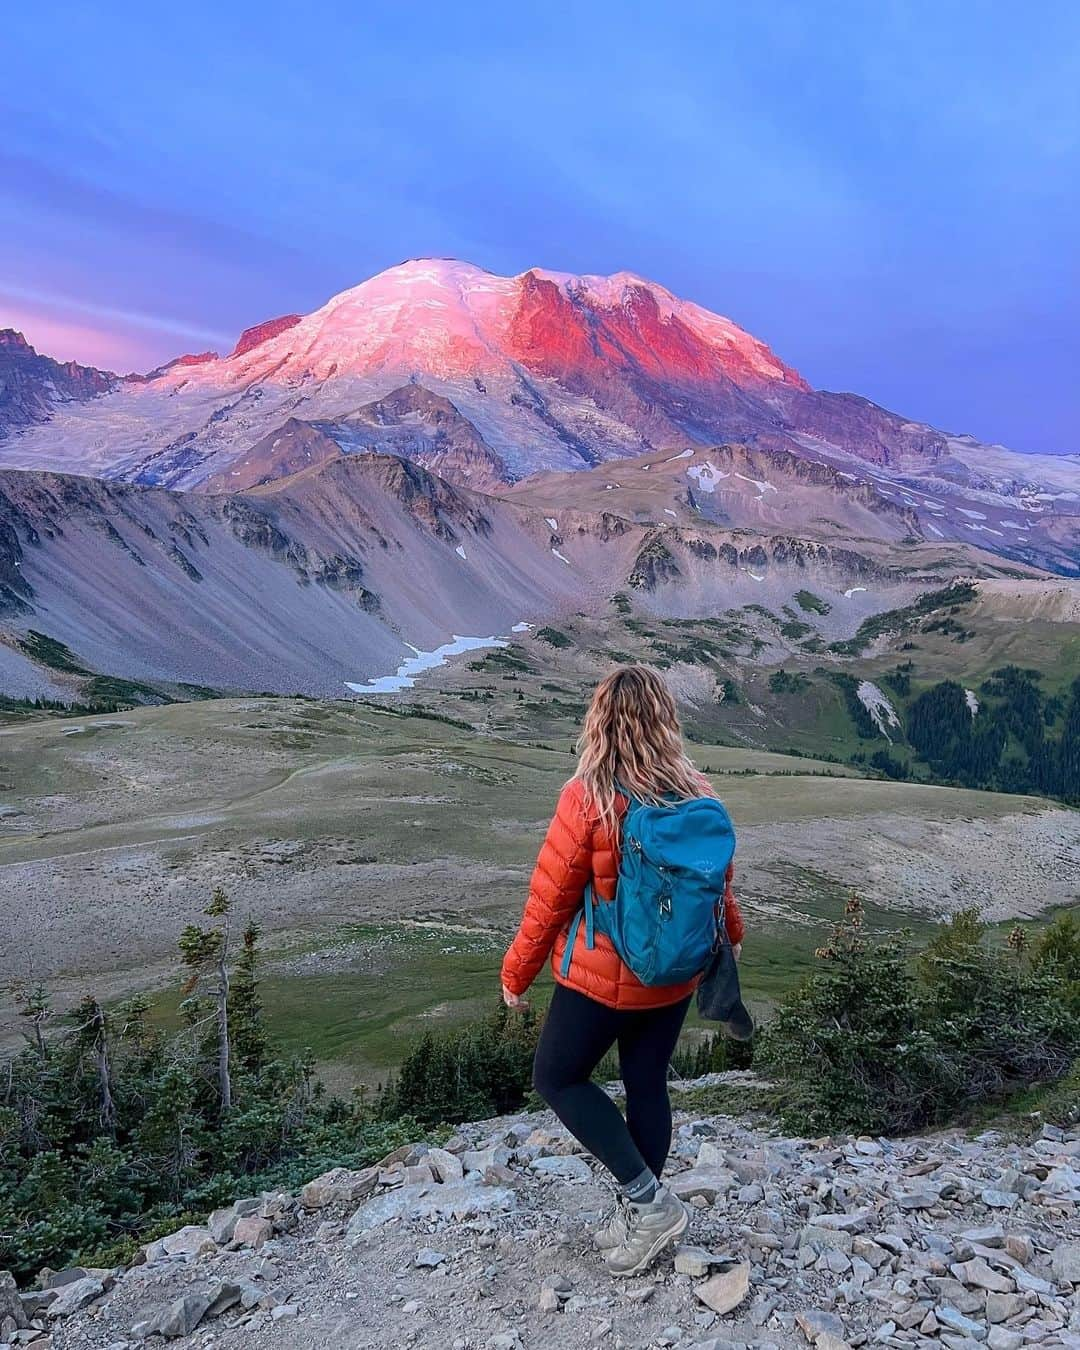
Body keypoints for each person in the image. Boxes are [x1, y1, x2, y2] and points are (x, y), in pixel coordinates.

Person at [500, 665, 744, 1277]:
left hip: (601, 977)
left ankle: (648, 1205)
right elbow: (717, 885)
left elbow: (549, 896)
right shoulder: (696, 790)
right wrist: (730, 943)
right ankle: (644, 1209)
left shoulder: (587, 797)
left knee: (557, 1077)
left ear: (599, 721)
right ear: (664, 718)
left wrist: (516, 973)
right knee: (646, 1084)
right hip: (674, 975)